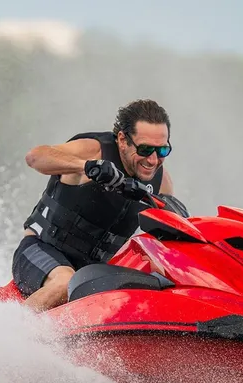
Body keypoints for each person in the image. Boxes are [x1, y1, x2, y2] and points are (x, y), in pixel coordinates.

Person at [12, 98, 189, 312]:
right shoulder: (95, 150)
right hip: (39, 251)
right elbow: (35, 157)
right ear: (122, 139)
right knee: (66, 283)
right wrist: (88, 167)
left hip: (93, 274)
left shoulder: (161, 183)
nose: (152, 160)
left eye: (162, 151)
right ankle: (12, 328)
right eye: (144, 149)